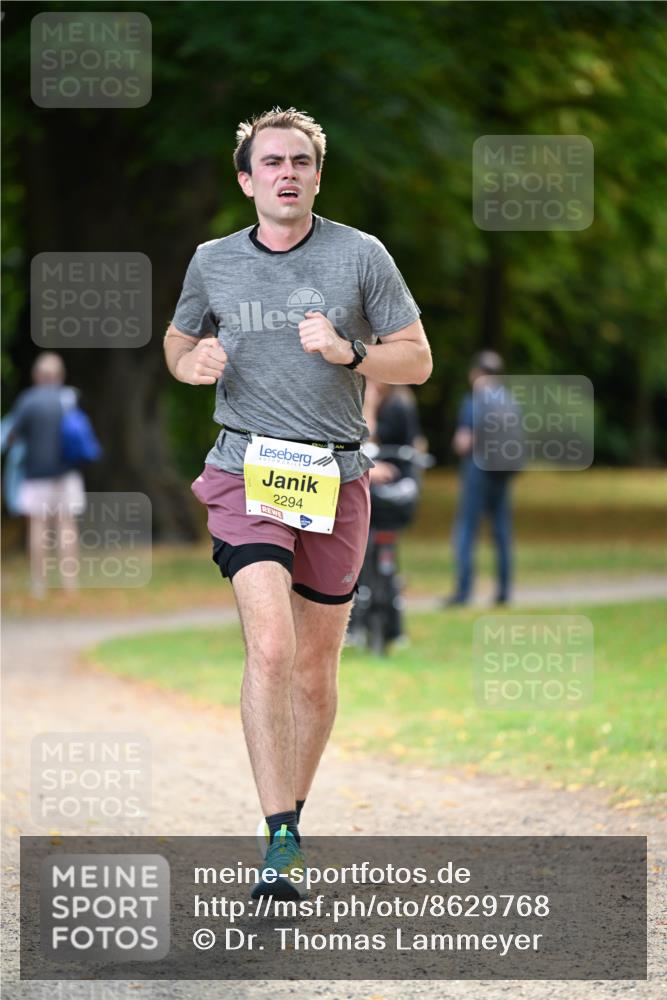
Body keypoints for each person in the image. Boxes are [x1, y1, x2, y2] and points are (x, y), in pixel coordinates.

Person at [164, 107, 431, 898]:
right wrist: (190, 362)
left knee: (314, 670)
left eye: (301, 163)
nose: (287, 173)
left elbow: (416, 359)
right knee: (272, 648)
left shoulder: (361, 255)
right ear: (246, 180)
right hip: (245, 470)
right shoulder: (212, 261)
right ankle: (279, 838)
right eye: (272, 163)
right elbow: (178, 340)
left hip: (335, 477)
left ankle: (288, 817)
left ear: (317, 176)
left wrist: (349, 351)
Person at [347, 380, 424, 646]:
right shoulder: (401, 400)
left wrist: (369, 404)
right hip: (394, 491)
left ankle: (364, 623)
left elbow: (367, 437)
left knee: (368, 551)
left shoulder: (394, 406)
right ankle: (391, 626)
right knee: (379, 554)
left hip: (388, 492)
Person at [6, 352, 86, 598]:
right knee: (66, 527)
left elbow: (12, 436)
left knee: (38, 528)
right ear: (60, 375)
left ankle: (38, 585)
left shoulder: (28, 401)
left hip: (35, 475)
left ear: (36, 375)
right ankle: (70, 584)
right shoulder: (69, 399)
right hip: (67, 473)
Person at [444, 351, 516, 607]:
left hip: (478, 469)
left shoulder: (475, 398)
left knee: (466, 529)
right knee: (502, 531)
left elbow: (463, 442)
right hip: (503, 472)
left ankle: (463, 592)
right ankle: (504, 591)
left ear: (476, 372)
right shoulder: (509, 400)